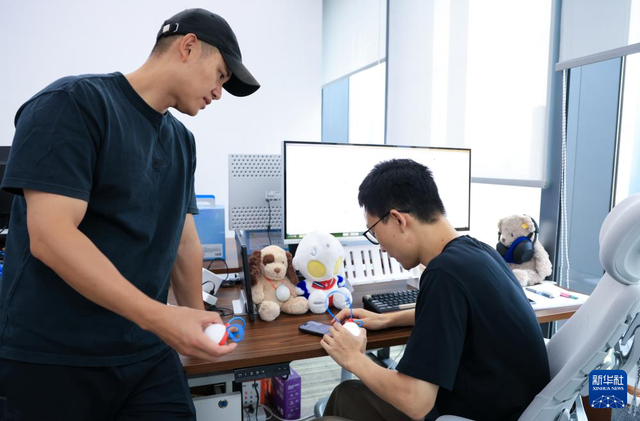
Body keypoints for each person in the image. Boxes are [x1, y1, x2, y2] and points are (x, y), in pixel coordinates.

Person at [0, 8, 259, 421]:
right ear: (188, 47)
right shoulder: (73, 103)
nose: (218, 93)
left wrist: (198, 323)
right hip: (56, 355)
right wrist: (163, 319)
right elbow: (50, 236)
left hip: (146, 353)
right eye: (220, 75)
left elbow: (184, 242)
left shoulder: (182, 142)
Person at [319, 159, 550, 421]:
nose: (380, 247)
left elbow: (416, 402)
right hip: (505, 406)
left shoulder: (444, 273)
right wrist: (387, 319)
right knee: (346, 394)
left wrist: (353, 358)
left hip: (466, 414)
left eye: (374, 232)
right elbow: (461, 316)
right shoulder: (478, 252)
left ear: (398, 219)